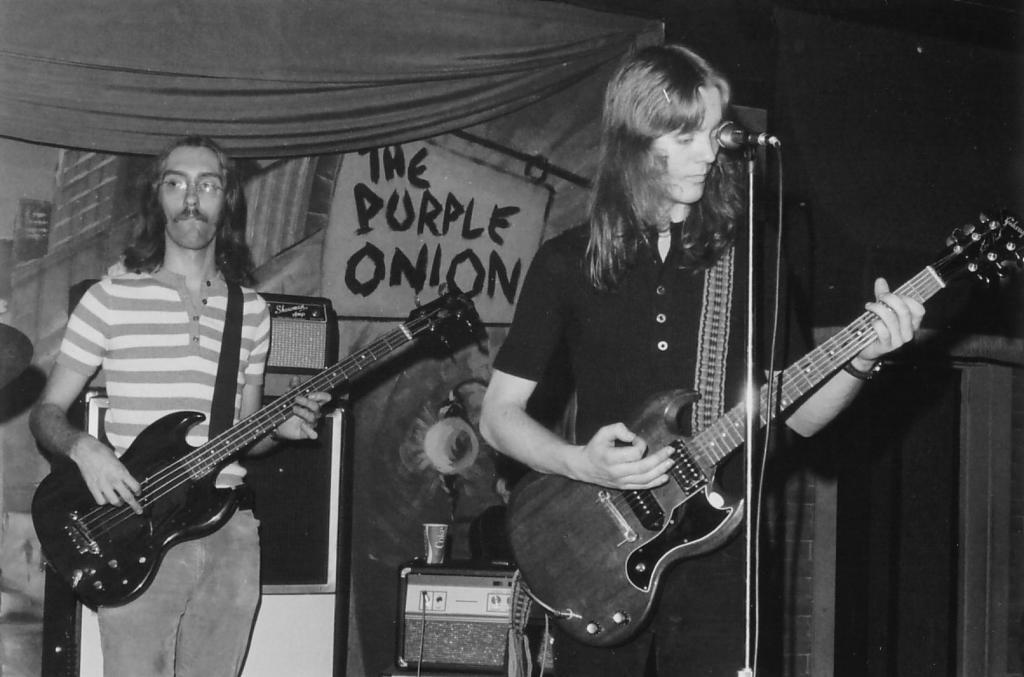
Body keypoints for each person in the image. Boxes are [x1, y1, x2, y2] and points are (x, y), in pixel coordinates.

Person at [479, 44, 925, 676]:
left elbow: (797, 418)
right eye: (685, 138)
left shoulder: (750, 259)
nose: (710, 154)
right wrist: (580, 462)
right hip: (596, 547)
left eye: (714, 134)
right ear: (634, 143)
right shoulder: (567, 262)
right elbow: (498, 416)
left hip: (722, 553)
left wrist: (861, 362)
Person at [30, 135, 332, 677]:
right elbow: (46, 412)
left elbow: (244, 433)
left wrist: (279, 429)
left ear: (227, 201)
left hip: (229, 532)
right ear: (158, 197)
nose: (192, 198)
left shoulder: (252, 311)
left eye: (208, 185)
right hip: (137, 528)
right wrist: (84, 448)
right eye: (177, 184)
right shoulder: (109, 299)